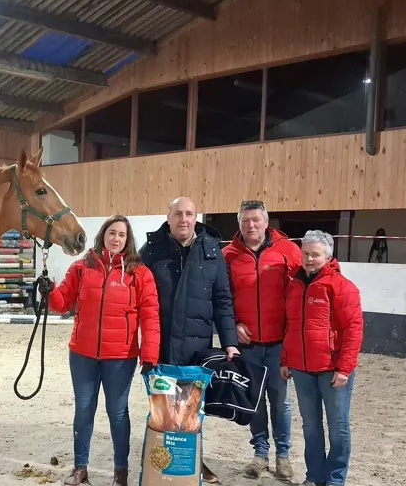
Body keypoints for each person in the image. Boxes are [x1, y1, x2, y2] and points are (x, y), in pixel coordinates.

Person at [45, 214, 162, 486]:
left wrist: (150, 354)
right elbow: (62, 303)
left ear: (127, 240)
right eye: (112, 233)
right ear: (103, 235)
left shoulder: (139, 273)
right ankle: (79, 469)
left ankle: (120, 472)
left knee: (117, 412)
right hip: (83, 354)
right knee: (84, 410)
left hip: (120, 357)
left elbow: (150, 315)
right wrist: (49, 291)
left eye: (121, 234)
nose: (116, 238)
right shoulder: (81, 268)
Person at [139, 196, 238, 484]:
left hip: (197, 350)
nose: (184, 219)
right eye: (178, 214)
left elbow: (222, 299)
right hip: (162, 347)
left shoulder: (212, 251)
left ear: (196, 218)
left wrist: (229, 341)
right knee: (163, 410)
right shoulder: (152, 250)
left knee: (191, 411)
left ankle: (193, 461)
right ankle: (161, 464)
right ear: (168, 217)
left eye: (189, 214)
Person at [222, 200, 302, 480]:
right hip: (249, 346)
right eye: (245, 221)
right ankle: (260, 454)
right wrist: (233, 324)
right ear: (239, 224)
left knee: (280, 402)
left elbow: (302, 293)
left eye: (256, 220)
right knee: (254, 401)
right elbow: (221, 299)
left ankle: (283, 456)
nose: (251, 225)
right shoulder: (228, 256)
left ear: (267, 222)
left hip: (279, 343)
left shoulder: (289, 252)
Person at [280, 230, 364, 486]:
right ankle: (314, 476)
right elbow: (290, 325)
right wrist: (286, 358)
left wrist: (345, 368)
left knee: (338, 428)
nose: (309, 259)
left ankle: (335, 479)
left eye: (315, 254)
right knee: (311, 427)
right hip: (302, 369)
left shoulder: (341, 287)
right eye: (306, 253)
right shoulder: (294, 285)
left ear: (327, 257)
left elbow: (353, 328)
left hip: (332, 369)